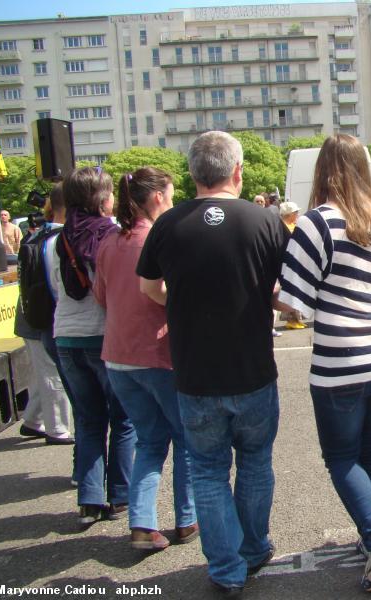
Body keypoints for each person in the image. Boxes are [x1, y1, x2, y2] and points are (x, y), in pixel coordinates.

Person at [137, 131, 289, 595]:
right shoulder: (264, 221)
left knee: (206, 469)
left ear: (192, 174)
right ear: (237, 171)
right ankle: (254, 549)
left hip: (195, 374)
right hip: (252, 370)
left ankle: (225, 568)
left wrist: (180, 299)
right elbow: (286, 292)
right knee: (256, 462)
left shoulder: (168, 223)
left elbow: (149, 289)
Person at [278, 134, 371, 592]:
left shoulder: (316, 223)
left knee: (340, 456)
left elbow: (293, 300)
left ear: (323, 170)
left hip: (343, 358)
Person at [94, 167, 197, 551]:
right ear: (157, 197)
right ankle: (187, 518)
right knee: (186, 438)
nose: (173, 201)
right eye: (170, 194)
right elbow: (173, 292)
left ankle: (142, 522)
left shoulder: (109, 240)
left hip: (117, 356)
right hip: (157, 353)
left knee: (150, 440)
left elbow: (101, 297)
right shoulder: (159, 238)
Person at [50, 167, 136, 526]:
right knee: (123, 419)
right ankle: (120, 495)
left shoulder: (58, 238)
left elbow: (56, 289)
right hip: (102, 336)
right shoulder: (110, 235)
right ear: (103, 200)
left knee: (87, 419)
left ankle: (89, 498)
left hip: (65, 336)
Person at [15, 186, 74, 446]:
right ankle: (57, 428)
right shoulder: (59, 238)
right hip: (46, 318)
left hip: (31, 314)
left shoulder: (36, 235)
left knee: (44, 371)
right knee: (51, 374)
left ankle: (33, 420)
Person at [277, 201, 306, 331]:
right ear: (290, 214)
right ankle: (291, 319)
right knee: (289, 291)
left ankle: (296, 318)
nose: (298, 214)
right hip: (287, 264)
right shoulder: (283, 227)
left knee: (295, 291)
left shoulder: (292, 225)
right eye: (296, 212)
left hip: (294, 262)